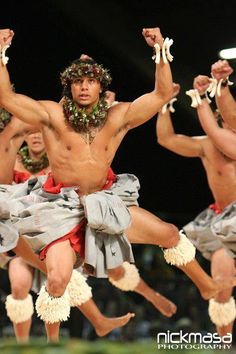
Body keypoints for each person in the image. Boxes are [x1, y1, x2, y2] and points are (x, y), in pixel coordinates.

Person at [0, 28, 234, 328]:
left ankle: (205, 285)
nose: (84, 88)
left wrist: (161, 51)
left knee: (169, 233)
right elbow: (6, 97)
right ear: (68, 87)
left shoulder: (118, 117)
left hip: (104, 200)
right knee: (57, 280)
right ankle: (54, 342)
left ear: (101, 86)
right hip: (61, 206)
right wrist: (2, 54)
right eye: (78, 82)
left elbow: (161, 94)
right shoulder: (52, 116)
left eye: (90, 82)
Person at [0, 109, 177, 342]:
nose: (34, 137)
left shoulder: (59, 162)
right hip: (25, 238)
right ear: (22, 137)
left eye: (39, 133)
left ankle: (149, 296)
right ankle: (26, 344)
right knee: (21, 284)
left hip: (58, 232)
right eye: (29, 133)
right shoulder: (15, 160)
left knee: (112, 267)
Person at [156, 80, 236, 338]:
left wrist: (201, 97)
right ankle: (224, 344)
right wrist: (165, 104)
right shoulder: (206, 144)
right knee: (221, 287)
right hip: (222, 221)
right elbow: (166, 139)